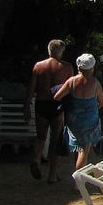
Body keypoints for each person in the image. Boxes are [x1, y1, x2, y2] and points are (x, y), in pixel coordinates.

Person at [25, 39, 74, 183]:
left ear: (49, 50)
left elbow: (31, 89)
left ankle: (36, 158)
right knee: (56, 140)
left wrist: (26, 107)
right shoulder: (67, 67)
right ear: (61, 51)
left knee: (41, 137)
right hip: (57, 105)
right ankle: (52, 175)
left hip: (41, 103)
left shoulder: (38, 66)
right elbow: (70, 89)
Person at [52, 53, 103, 172]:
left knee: (78, 150)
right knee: (84, 152)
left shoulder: (71, 82)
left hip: (73, 120)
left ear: (79, 67)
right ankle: (78, 182)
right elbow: (102, 103)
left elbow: (57, 97)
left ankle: (77, 176)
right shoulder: (96, 83)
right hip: (89, 122)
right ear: (92, 68)